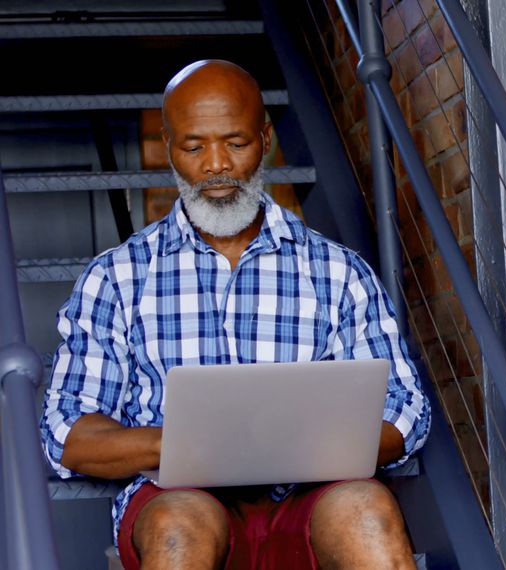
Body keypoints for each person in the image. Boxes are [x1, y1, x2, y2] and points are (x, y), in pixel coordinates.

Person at [39, 59, 429, 569]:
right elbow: (67, 432)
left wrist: (300, 443)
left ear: (266, 139)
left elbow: (406, 409)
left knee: (367, 512)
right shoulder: (116, 278)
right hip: (178, 497)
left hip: (310, 499)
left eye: (236, 143)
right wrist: (192, 443)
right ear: (170, 143)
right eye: (194, 146)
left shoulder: (339, 271)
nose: (216, 165)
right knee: (180, 524)